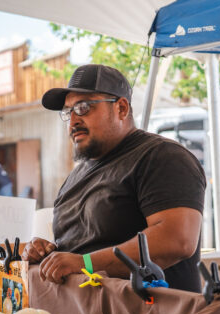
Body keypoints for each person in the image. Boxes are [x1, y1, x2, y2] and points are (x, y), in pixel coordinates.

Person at [23, 64, 206, 292]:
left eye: (83, 107)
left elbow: (177, 241)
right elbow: (79, 249)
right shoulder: (76, 176)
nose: (73, 122)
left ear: (121, 108)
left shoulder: (162, 157)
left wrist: (85, 264)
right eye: (69, 112)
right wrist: (47, 252)